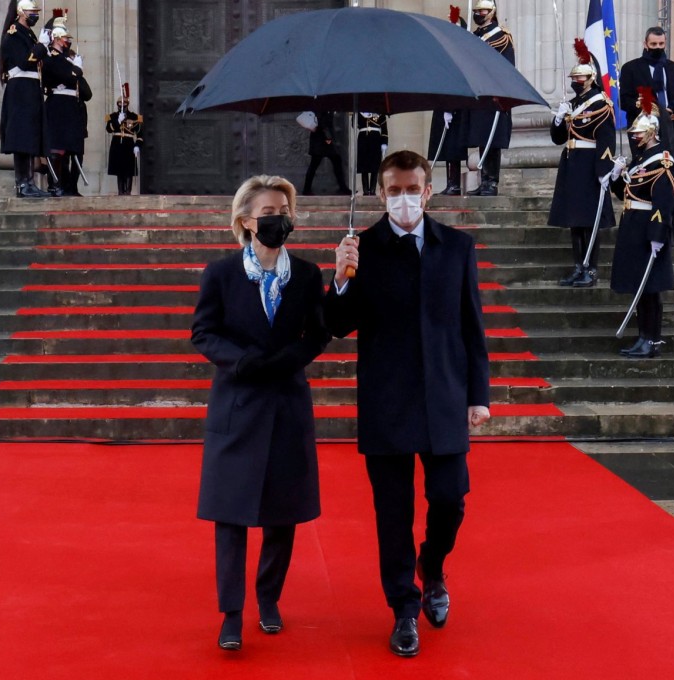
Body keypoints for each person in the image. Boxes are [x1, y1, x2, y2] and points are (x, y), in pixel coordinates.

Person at [324, 150, 491, 657]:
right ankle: (403, 608)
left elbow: (472, 325)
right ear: (379, 193)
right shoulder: (363, 248)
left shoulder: (456, 247)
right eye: (392, 190)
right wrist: (341, 277)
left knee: (450, 498)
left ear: (428, 190)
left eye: (411, 188)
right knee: (391, 513)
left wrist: (477, 395)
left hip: (443, 396)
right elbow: (336, 324)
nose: (402, 198)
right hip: (387, 400)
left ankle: (433, 566)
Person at [190, 175, 330, 652]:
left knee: (282, 514)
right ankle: (231, 614)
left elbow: (321, 332)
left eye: (286, 211)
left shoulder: (308, 275)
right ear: (247, 220)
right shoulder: (222, 274)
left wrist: (345, 282)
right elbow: (203, 332)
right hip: (237, 403)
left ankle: (268, 600)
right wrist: (242, 360)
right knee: (229, 516)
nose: (280, 219)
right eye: (270, 212)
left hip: (287, 404)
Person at [609, 89, 674, 359]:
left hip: (648, 228)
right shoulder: (639, 161)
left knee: (650, 289)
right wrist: (617, 174)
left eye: (638, 134)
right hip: (632, 227)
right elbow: (623, 193)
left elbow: (664, 202)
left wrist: (658, 233)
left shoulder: (662, 162)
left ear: (651, 133)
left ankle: (652, 339)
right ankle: (642, 336)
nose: (634, 137)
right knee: (640, 287)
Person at [548, 38, 617, 288]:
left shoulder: (601, 104)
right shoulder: (573, 104)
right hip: (571, 164)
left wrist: (603, 171)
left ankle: (591, 268)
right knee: (574, 221)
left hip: (590, 167)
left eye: (579, 79)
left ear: (590, 79)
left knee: (590, 221)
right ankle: (578, 266)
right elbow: (558, 139)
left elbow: (607, 140)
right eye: (573, 79)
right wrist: (558, 118)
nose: (575, 83)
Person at [619, 27, 674, 243]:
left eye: (661, 45)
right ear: (645, 44)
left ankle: (671, 230)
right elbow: (624, 100)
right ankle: (646, 230)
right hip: (645, 132)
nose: (658, 49)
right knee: (647, 177)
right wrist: (646, 106)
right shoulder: (631, 68)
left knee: (672, 179)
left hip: (673, 130)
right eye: (654, 45)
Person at [465, 0, 515, 197]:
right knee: (481, 138)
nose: (479, 13)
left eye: (483, 10)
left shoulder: (502, 36)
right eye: (476, 11)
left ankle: (492, 182)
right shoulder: (473, 36)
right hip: (479, 93)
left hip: (495, 93)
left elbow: (507, 67)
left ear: (492, 12)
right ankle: (483, 179)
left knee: (493, 139)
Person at [0, 0, 48, 198]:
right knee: (22, 138)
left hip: (31, 89)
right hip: (20, 91)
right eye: (31, 11)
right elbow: (26, 61)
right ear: (21, 12)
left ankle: (29, 181)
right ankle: (23, 183)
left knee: (30, 137)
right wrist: (41, 47)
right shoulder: (14, 34)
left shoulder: (28, 34)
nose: (35, 14)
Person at [41, 13, 89, 197]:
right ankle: (55, 184)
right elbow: (67, 76)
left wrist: (74, 70)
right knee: (57, 148)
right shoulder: (51, 57)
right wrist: (76, 69)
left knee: (72, 148)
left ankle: (70, 187)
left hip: (71, 107)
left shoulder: (65, 59)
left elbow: (84, 90)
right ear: (57, 39)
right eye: (65, 38)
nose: (67, 41)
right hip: (58, 105)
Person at [427, 6, 469, 196]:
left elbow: (457, 83)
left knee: (453, 148)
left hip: (456, 107)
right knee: (445, 148)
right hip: (443, 104)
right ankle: (450, 183)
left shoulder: (462, 55)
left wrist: (450, 108)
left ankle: (454, 184)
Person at [302, 111, 351, 196]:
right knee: (315, 165)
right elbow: (322, 123)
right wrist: (329, 138)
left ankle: (343, 187)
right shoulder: (322, 107)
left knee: (335, 162)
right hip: (322, 140)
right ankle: (306, 189)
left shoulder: (326, 108)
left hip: (323, 140)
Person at [106, 84, 143, 195]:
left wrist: (137, 145)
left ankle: (128, 192)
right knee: (119, 170)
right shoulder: (112, 116)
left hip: (128, 144)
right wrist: (118, 121)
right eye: (120, 103)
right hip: (117, 144)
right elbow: (109, 129)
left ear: (128, 104)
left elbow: (140, 134)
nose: (122, 105)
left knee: (128, 171)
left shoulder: (135, 117)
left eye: (124, 103)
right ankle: (120, 192)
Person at [356, 112, 388, 196]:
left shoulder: (380, 114)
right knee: (364, 166)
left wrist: (384, 142)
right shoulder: (359, 113)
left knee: (375, 165)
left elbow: (384, 129)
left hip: (375, 139)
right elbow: (354, 124)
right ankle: (365, 190)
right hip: (363, 139)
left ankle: (373, 189)